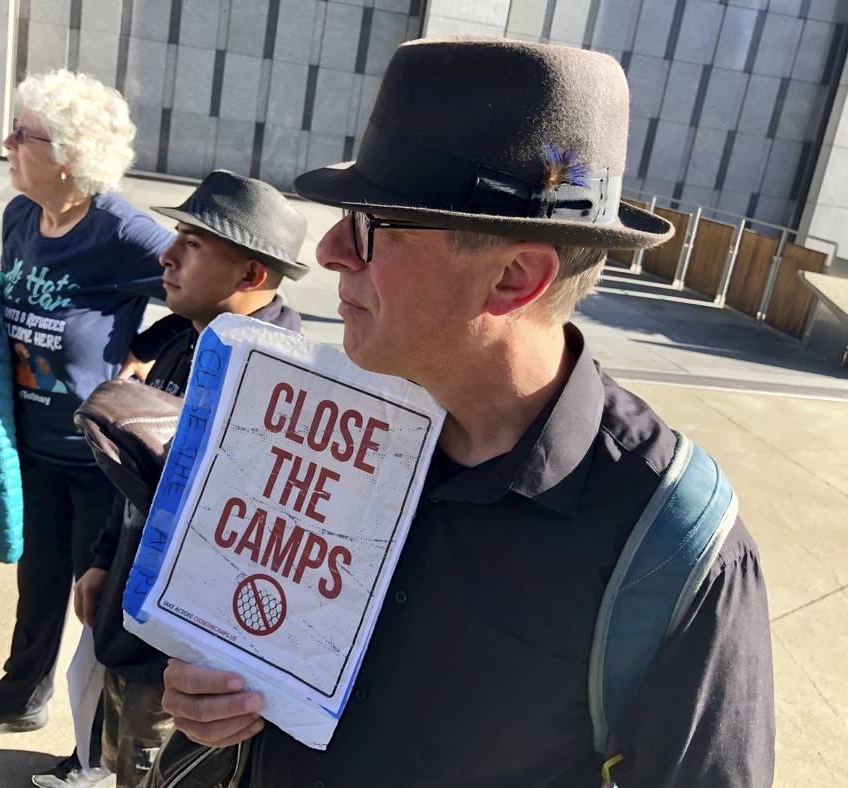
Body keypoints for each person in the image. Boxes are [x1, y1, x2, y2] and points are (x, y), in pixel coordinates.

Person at [154, 38, 777, 787]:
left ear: (513, 278)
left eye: (368, 225)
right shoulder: (320, 424)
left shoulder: (671, 546)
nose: (326, 251)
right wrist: (213, 707)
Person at [0, 70, 173, 788]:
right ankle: (21, 695)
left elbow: (204, 291)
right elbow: (14, 301)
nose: (7, 142)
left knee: (100, 606)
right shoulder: (21, 215)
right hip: (30, 443)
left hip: (96, 457)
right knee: (36, 584)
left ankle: (99, 753)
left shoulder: (126, 232)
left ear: (70, 154)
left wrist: (143, 360)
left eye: (23, 134)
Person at [53, 170, 307, 788]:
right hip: (124, 610)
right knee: (112, 754)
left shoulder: (284, 386)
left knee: (151, 770)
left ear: (251, 276)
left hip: (179, 659)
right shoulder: (185, 341)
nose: (166, 255)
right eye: (177, 237)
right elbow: (136, 479)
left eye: (193, 244)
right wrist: (103, 560)